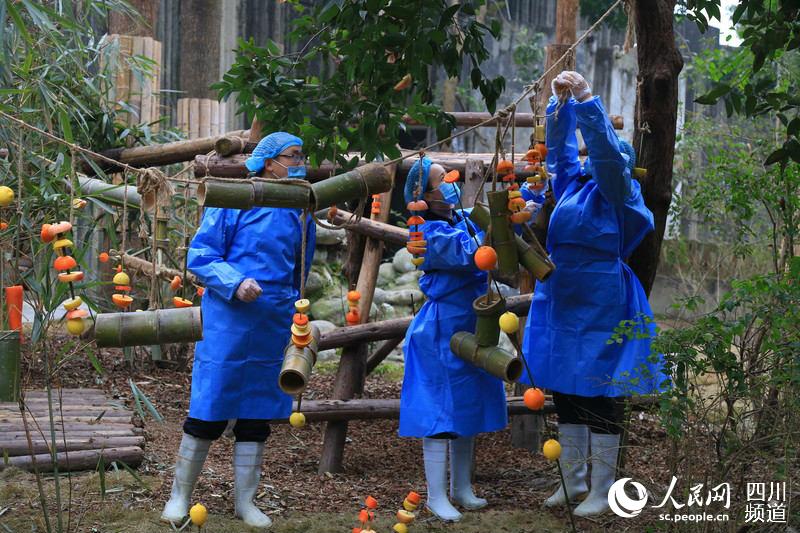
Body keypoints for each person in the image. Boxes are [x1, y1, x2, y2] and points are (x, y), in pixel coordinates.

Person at [520, 71, 668, 517]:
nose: (591, 166)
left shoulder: (622, 194)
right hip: (563, 292)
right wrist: (559, 106)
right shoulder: (572, 187)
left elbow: (604, 157)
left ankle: (603, 487)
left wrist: (588, 101)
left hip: (604, 295)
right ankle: (572, 480)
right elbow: (562, 156)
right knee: (565, 387)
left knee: (601, 390)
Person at [161, 132, 315, 528]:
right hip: (230, 317)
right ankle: (179, 496)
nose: (300, 162)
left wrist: (297, 310)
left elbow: (302, 265)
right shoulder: (234, 198)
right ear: (268, 161)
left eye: (301, 156)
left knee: (257, 414)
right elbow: (201, 255)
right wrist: (234, 281)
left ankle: (246, 502)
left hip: (274, 319)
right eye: (292, 156)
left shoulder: (300, 206)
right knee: (209, 408)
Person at [398, 156, 508, 522]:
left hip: (471, 322)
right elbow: (472, 254)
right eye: (441, 179)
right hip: (441, 329)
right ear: (424, 195)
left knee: (466, 406)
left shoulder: (457, 218)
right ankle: (436, 494)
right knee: (439, 411)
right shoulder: (426, 232)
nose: (450, 182)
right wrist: (496, 230)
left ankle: (462, 486)